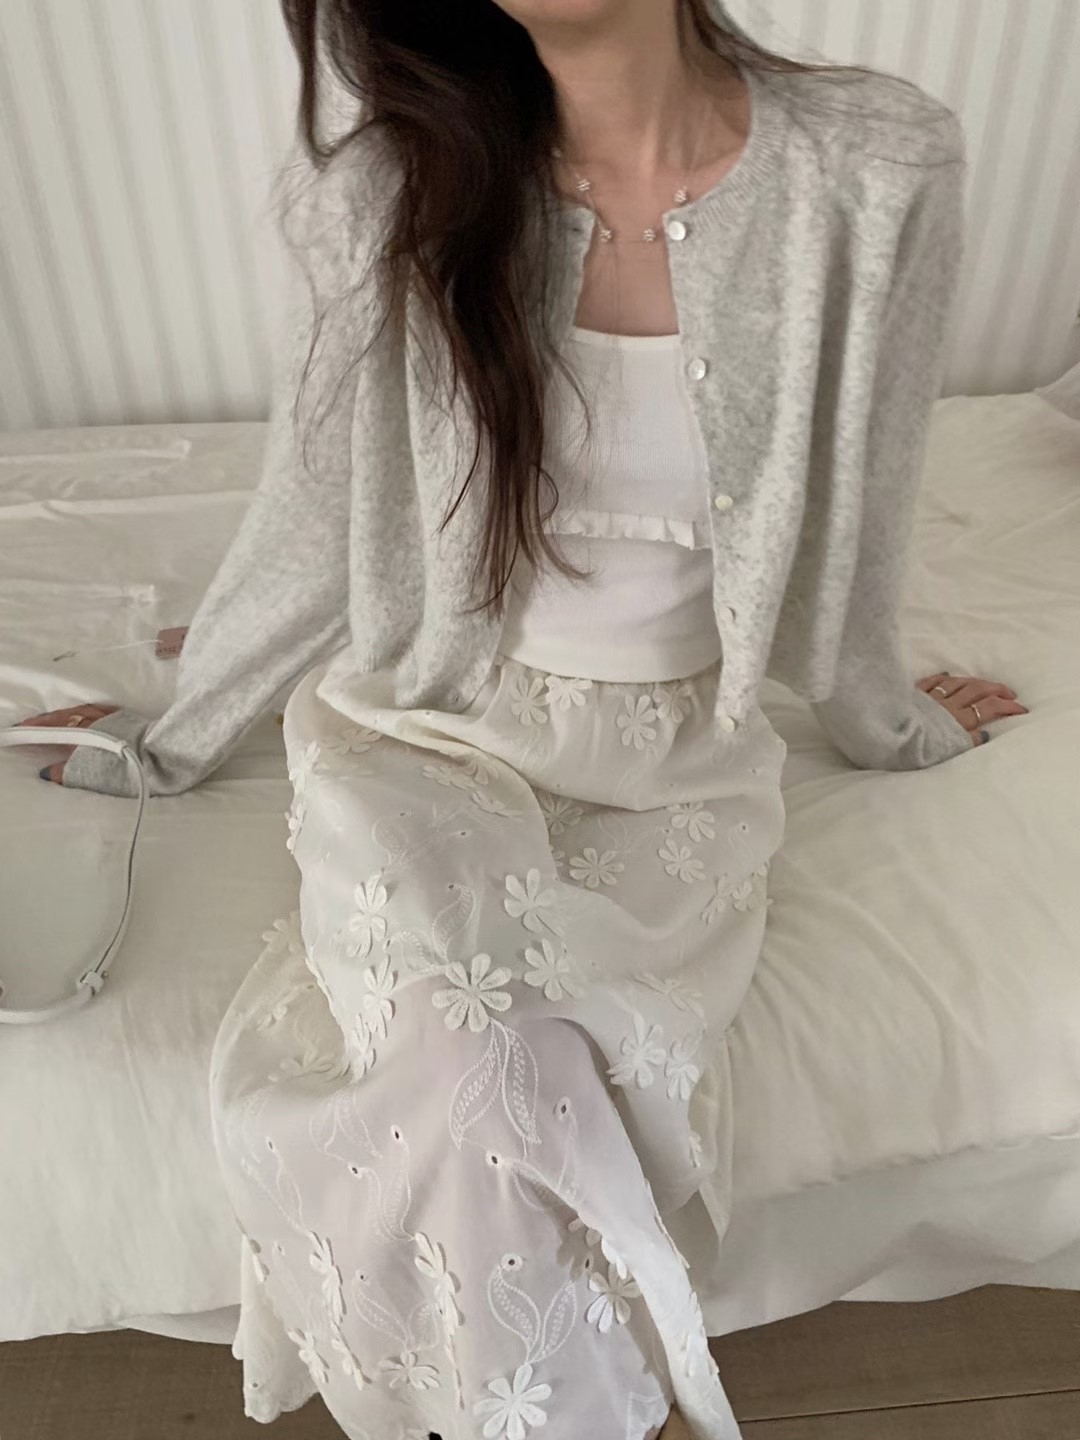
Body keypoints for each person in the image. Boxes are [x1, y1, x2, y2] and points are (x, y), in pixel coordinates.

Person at [17, 2, 1028, 1436]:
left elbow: (862, 514)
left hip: (674, 766)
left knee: (561, 1056)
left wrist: (892, 718)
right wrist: (172, 734)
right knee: (472, 1048)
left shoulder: (875, 166)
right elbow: (313, 514)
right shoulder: (392, 187)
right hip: (427, 730)